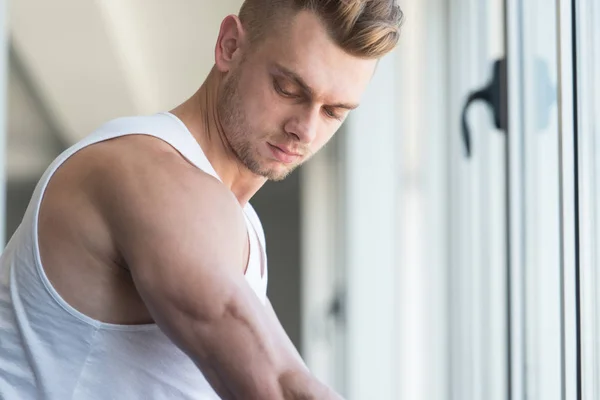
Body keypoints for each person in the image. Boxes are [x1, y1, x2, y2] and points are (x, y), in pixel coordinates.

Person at [0, 0, 403, 398]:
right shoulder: (149, 175)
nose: (306, 130)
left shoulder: (243, 225)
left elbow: (291, 375)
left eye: (334, 111)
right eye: (289, 88)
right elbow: (280, 387)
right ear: (230, 46)